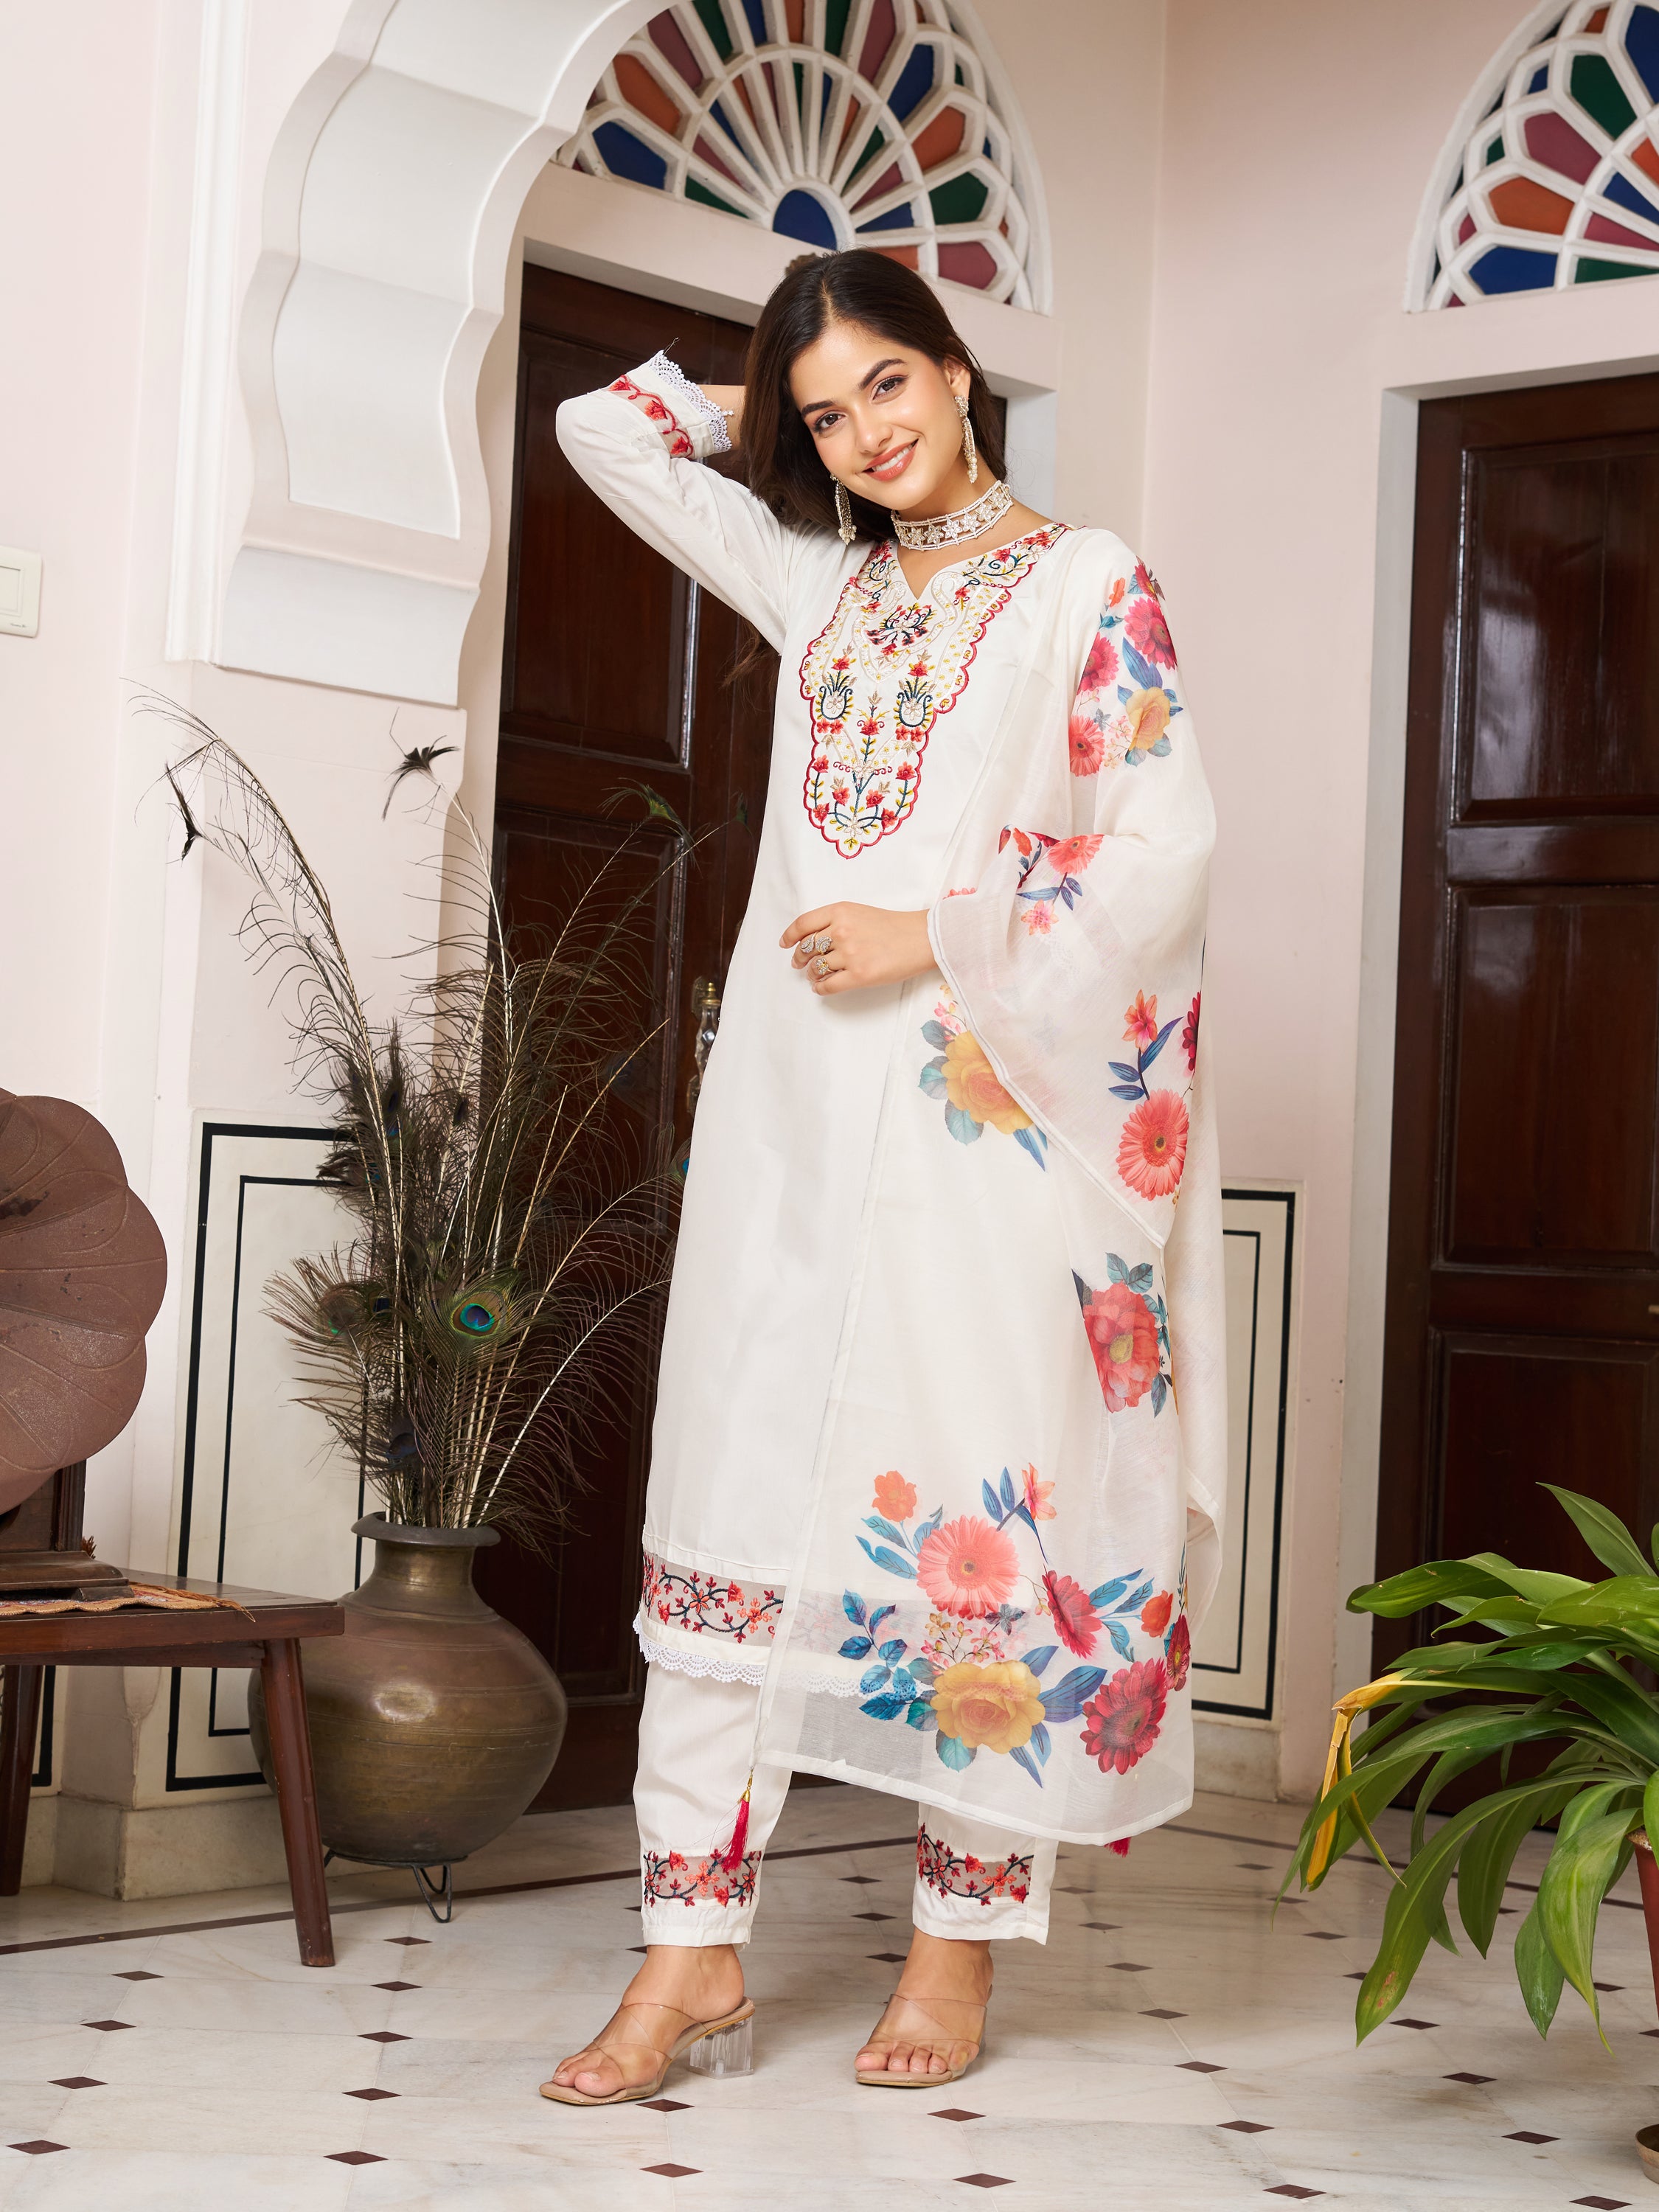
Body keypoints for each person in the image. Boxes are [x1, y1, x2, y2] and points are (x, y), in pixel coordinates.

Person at [541, 248, 1225, 2107]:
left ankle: (954, 1953)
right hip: (790, 1121)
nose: (867, 438)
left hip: (990, 1122)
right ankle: (687, 1957)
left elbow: (1166, 835)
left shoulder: (1092, 581)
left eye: (890, 390)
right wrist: (749, 412)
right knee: (737, 1498)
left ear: (959, 370)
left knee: (976, 1510)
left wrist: (930, 926)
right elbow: (595, 428)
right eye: (826, 417)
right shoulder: (818, 577)